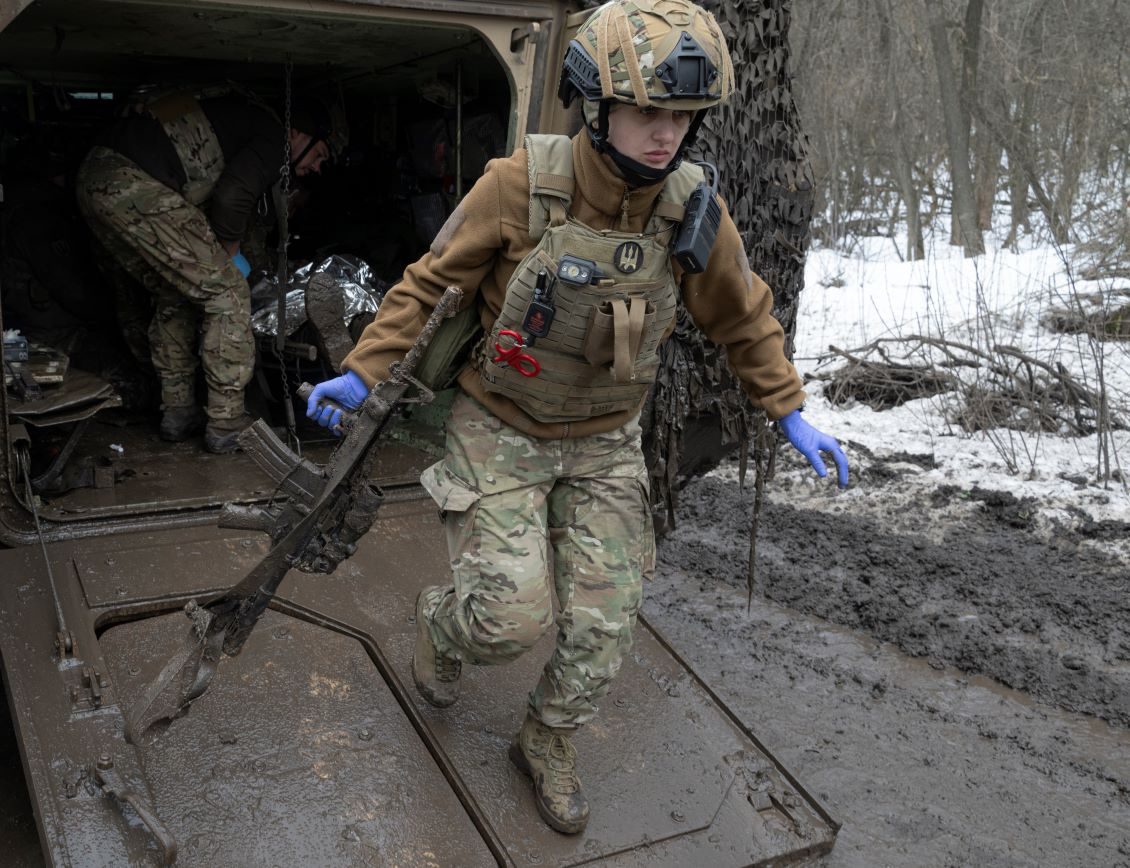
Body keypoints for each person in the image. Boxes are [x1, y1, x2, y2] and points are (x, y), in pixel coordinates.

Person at [307, 0, 848, 835]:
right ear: (598, 105)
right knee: (507, 620)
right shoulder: (521, 183)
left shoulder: (689, 208)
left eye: (681, 118)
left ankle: (545, 742)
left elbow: (741, 313)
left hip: (604, 441)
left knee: (605, 623)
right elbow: (427, 282)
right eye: (647, 113)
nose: (665, 135)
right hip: (502, 424)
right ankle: (441, 627)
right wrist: (363, 370)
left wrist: (790, 409)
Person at [76, 88, 345, 452]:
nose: (316, 166)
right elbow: (232, 195)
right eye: (319, 154)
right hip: (134, 183)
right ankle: (227, 421)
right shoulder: (273, 134)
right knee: (227, 292)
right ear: (297, 133)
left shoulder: (239, 116)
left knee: (176, 292)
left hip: (97, 180)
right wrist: (228, 256)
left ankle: (178, 410)